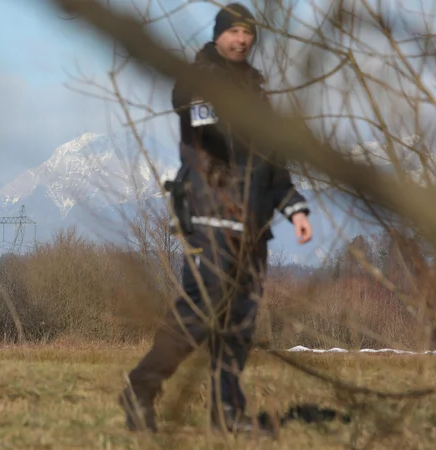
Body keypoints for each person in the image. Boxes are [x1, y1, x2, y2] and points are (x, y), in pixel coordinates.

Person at [118, 2, 313, 435]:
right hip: (211, 213)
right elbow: (195, 118)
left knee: (238, 323)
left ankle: (227, 415)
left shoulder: (258, 95)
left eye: (249, 34)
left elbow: (274, 163)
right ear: (220, 35)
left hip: (254, 224)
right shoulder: (199, 78)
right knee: (199, 314)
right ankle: (141, 389)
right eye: (235, 32)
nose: (242, 40)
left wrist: (295, 208)